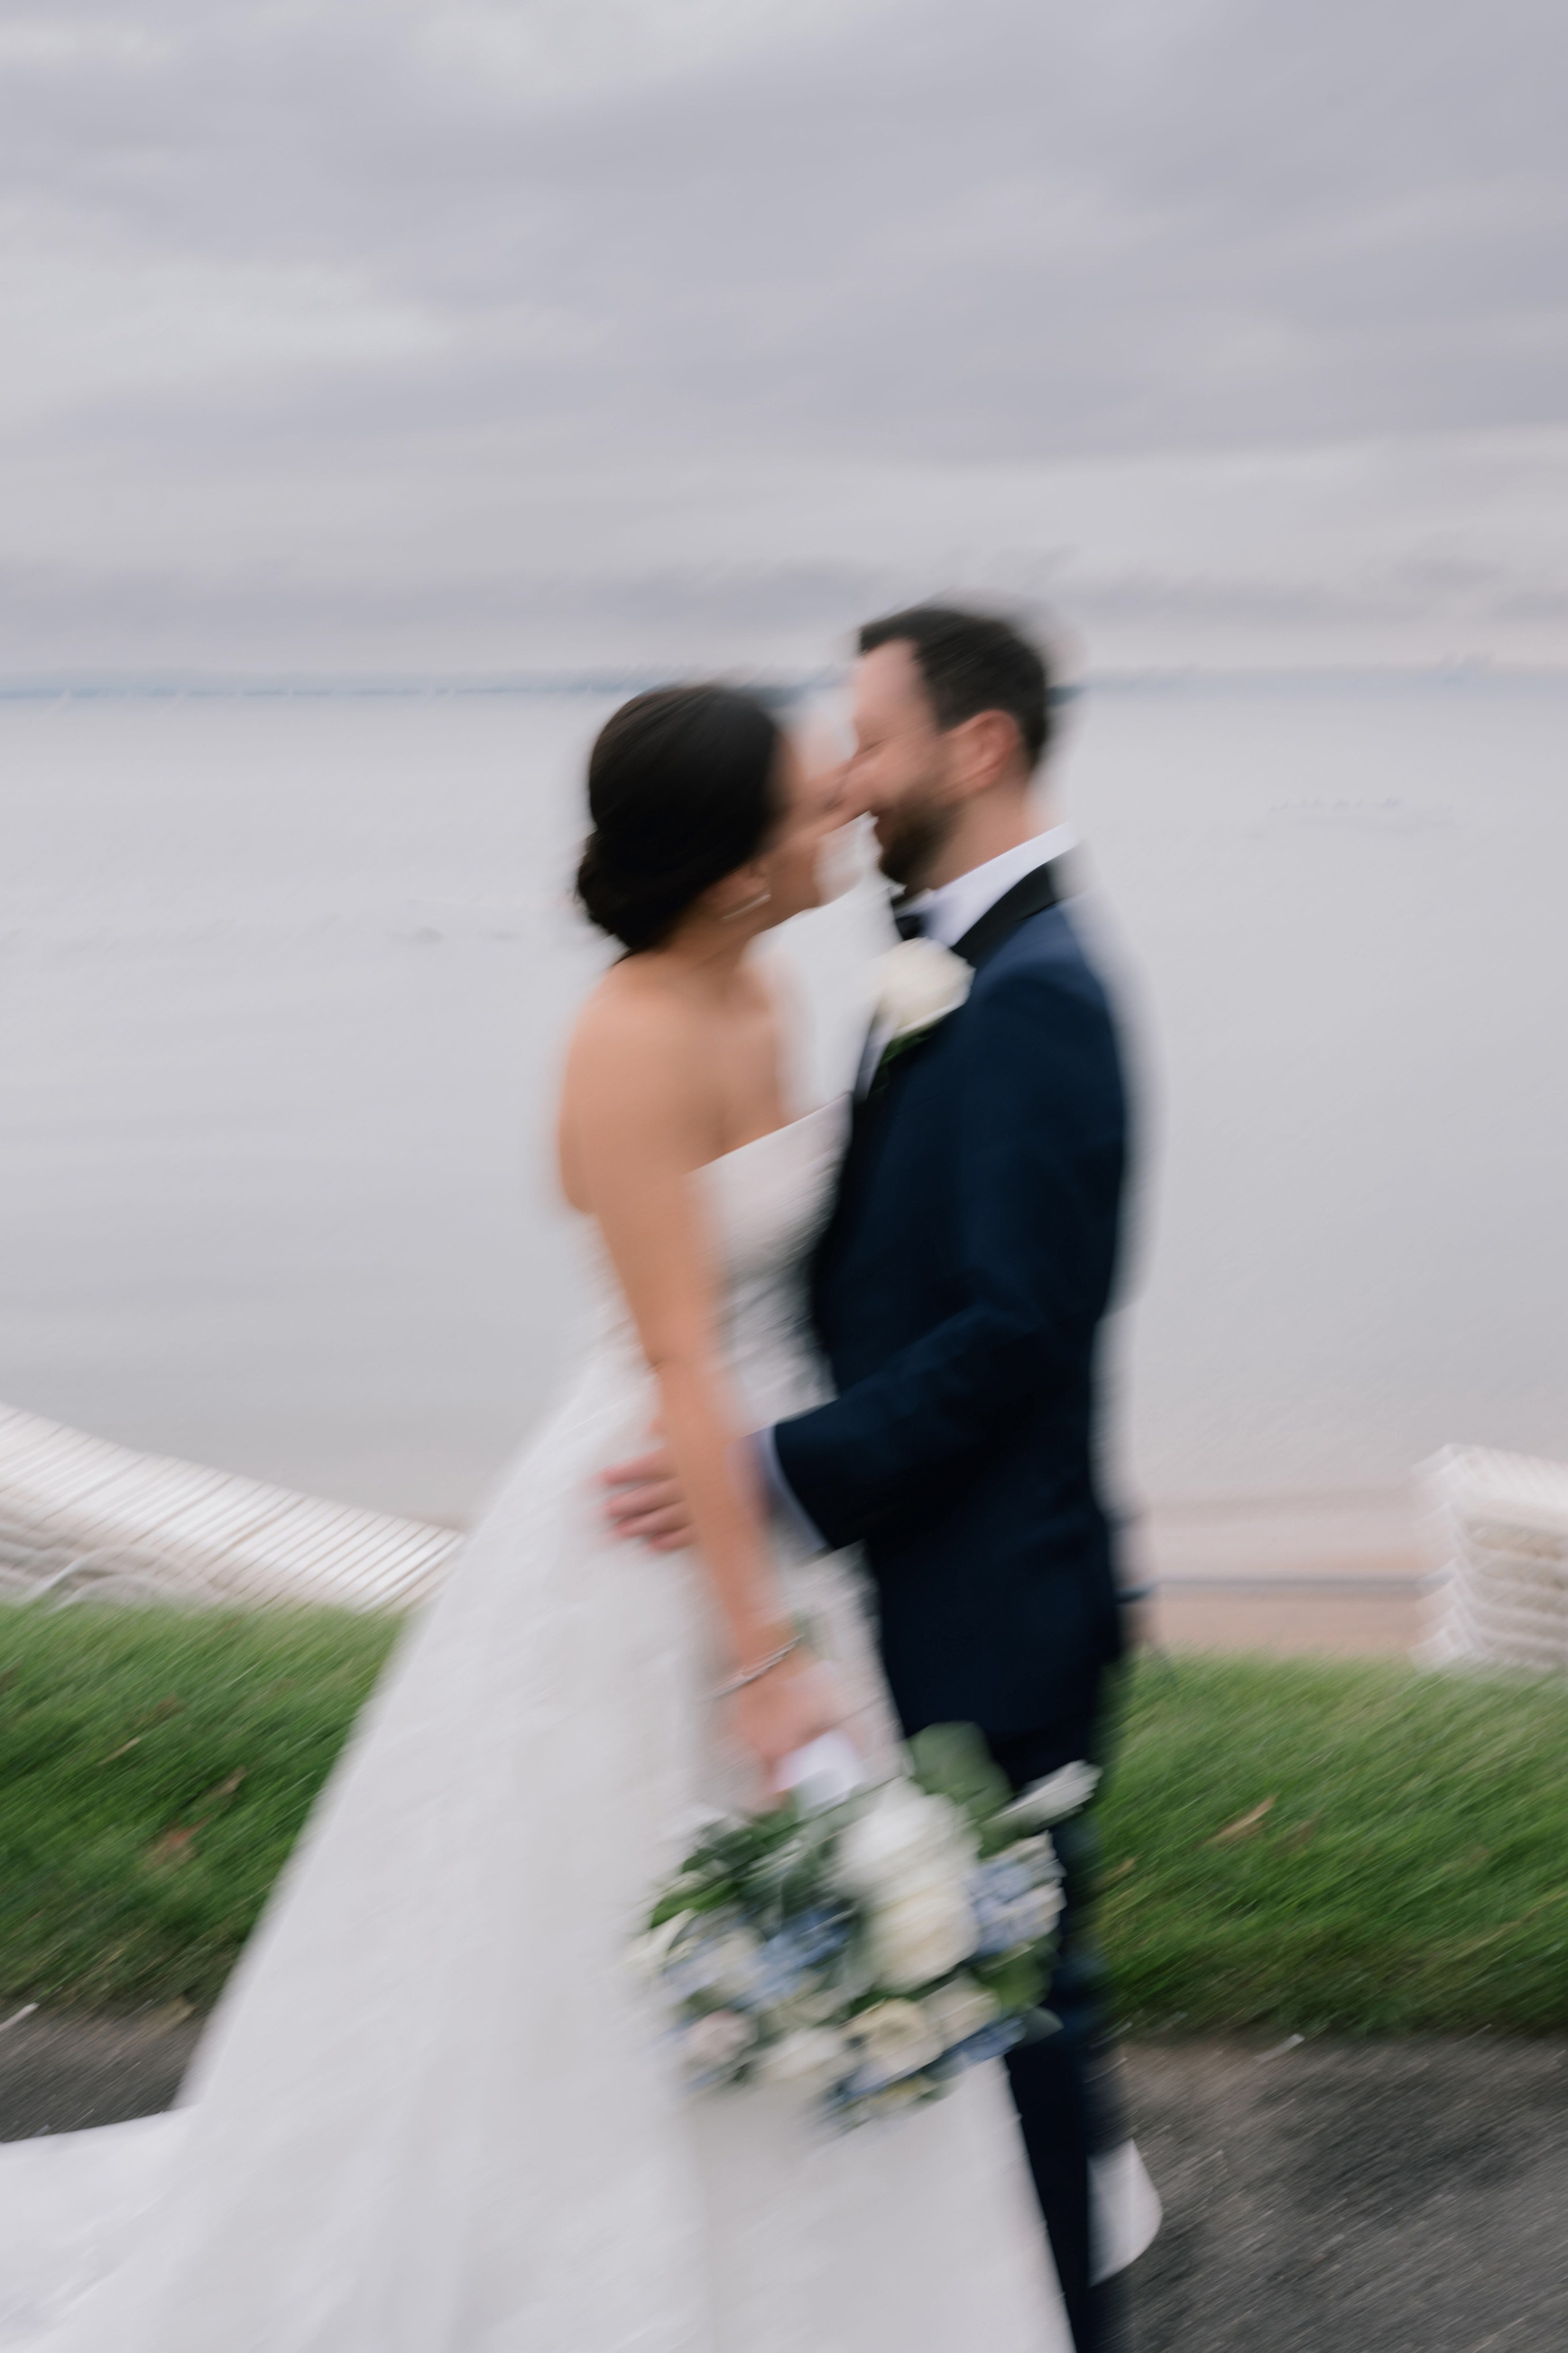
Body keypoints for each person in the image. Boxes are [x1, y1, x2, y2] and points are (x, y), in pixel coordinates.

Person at [0, 682, 1074, 2351]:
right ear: (733, 870)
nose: (840, 820)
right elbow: (676, 1362)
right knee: (612, 1913)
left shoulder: (769, 986)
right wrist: (759, 1657)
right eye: (805, 807)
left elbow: (795, 1293)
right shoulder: (631, 1037)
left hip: (774, 1474)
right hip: (662, 1509)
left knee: (794, 1899)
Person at [605, 610, 1148, 2352]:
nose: (845, 776)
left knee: (1026, 2003)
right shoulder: (947, 965)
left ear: (977, 751)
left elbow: (1012, 1338)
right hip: (914, 1568)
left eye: (872, 739)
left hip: (1003, 1590)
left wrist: (772, 1465)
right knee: (948, 1981)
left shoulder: (1043, 997)